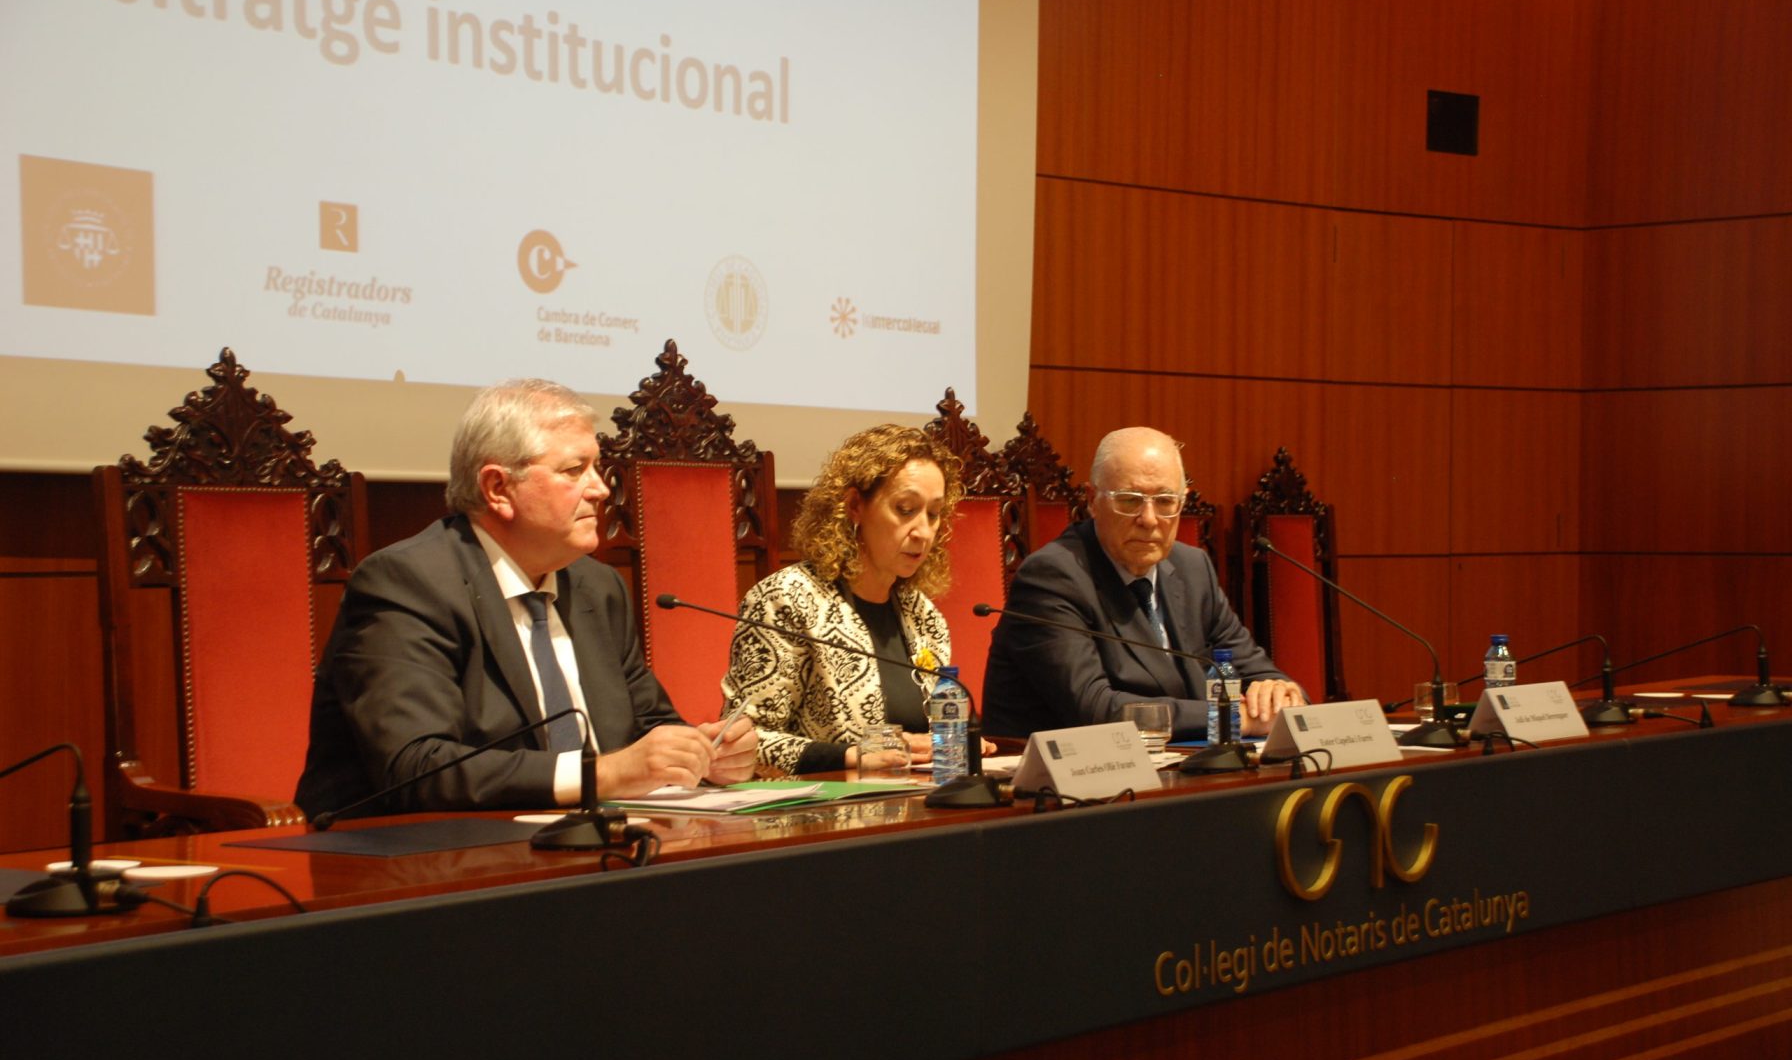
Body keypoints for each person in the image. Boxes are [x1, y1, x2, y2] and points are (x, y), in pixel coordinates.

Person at [294, 379, 757, 820]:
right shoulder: (408, 583)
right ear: (498, 489)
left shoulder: (597, 586)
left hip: (595, 840)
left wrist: (703, 753)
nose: (600, 489)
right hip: (414, 853)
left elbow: (649, 726)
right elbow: (417, 766)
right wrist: (602, 775)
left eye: (596, 467)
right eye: (574, 470)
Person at [982, 426, 1304, 739]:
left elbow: (1257, 670)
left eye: (1165, 501)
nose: (1149, 519)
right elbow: (1096, 709)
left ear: (1182, 502)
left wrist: (1278, 694)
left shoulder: (1193, 569)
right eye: (1129, 500)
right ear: (1092, 500)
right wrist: (1229, 718)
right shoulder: (1052, 577)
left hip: (1175, 764)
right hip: (1062, 770)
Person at [720, 425, 963, 774]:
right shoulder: (786, 600)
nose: (923, 531)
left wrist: (956, 742)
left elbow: (933, 735)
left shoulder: (923, 615)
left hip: (915, 795)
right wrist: (852, 755)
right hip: (822, 802)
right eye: (905, 509)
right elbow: (741, 742)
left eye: (934, 514)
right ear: (854, 506)